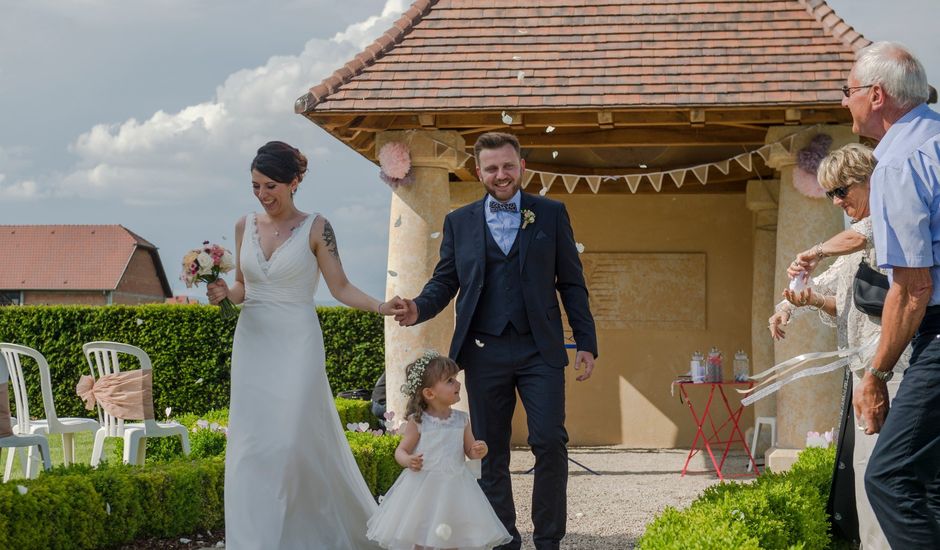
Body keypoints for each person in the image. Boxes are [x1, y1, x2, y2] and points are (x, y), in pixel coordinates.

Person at [392, 132, 598, 550]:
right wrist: (417, 307)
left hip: (540, 348)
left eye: (507, 166)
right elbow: (446, 280)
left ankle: (549, 540)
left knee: (550, 441)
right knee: (489, 449)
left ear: (522, 166)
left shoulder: (551, 214)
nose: (500, 175)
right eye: (491, 168)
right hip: (483, 349)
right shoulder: (460, 221)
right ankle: (503, 539)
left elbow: (572, 284)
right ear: (479, 171)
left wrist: (587, 342)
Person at [207, 141, 401, 549]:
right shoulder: (245, 226)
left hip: (298, 342)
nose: (263, 195)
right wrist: (225, 293)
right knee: (252, 446)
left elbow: (341, 287)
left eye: (271, 186)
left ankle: (306, 534)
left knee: (290, 443)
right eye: (256, 186)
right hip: (253, 343)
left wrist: (380, 305)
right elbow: (245, 288)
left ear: (295, 182)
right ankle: (256, 539)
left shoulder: (317, 227)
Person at [769, 144, 908, 549]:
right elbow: (832, 293)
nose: (838, 201)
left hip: (891, 373)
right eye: (831, 194)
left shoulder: (885, 223)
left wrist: (813, 251)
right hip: (860, 374)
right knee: (862, 473)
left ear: (870, 180)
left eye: (843, 190)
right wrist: (793, 305)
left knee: (881, 473)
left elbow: (856, 237)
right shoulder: (852, 242)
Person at [838, 42, 940, 546]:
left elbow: (914, 285)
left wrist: (876, 375)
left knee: (889, 476)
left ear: (876, 96)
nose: (844, 102)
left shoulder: (896, 163)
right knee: (930, 480)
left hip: (938, 332)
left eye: (849, 90)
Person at [367, 351, 512, 550]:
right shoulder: (418, 421)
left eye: (456, 379)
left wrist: (479, 449)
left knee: (454, 535)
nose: (457, 384)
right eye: (450, 380)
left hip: (456, 486)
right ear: (429, 393)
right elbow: (400, 450)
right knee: (421, 532)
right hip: (425, 487)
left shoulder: (462, 419)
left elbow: (470, 450)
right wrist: (408, 460)